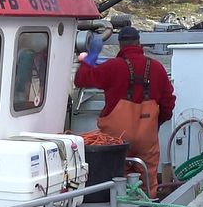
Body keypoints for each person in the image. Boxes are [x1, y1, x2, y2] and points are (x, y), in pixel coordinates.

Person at [74, 27, 175, 197]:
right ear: (139, 43)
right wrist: (154, 124)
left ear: (120, 45)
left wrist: (91, 56)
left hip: (116, 138)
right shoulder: (157, 68)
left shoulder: (113, 66)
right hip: (147, 136)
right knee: (148, 179)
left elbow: (81, 79)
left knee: (115, 177)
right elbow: (168, 104)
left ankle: (116, 206)